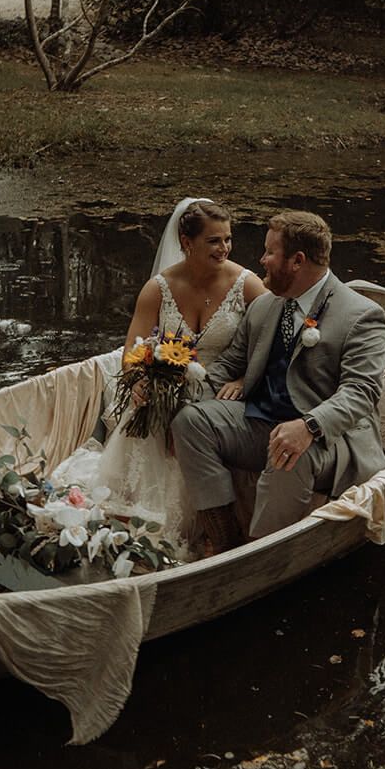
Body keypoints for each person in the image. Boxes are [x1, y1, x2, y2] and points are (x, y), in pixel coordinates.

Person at [48, 198, 266, 551]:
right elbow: (133, 352)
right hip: (167, 392)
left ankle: (212, 531)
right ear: (186, 242)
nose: (224, 248)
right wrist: (138, 382)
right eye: (213, 240)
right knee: (147, 421)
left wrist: (243, 380)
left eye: (227, 239)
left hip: (223, 399)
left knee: (193, 430)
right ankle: (142, 529)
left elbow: (273, 342)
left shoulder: (248, 285)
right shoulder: (158, 289)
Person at [171, 210, 385, 557]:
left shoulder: (360, 314)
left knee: (290, 453)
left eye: (270, 252)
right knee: (189, 421)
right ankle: (226, 538)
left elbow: (361, 392)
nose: (262, 260)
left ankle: (258, 557)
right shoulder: (264, 306)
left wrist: (308, 425)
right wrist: (188, 393)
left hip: (329, 439)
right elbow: (230, 362)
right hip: (260, 421)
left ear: (297, 261)